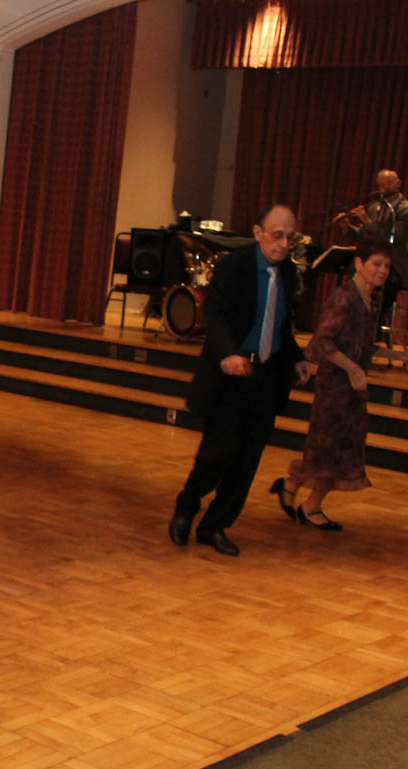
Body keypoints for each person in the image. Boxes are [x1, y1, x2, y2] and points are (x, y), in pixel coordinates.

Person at [169, 204, 311, 557]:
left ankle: (215, 526)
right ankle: (188, 505)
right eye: (277, 235)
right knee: (216, 454)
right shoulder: (235, 267)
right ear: (259, 232)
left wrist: (298, 359)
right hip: (231, 375)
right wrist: (228, 354)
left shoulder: (289, 275)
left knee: (247, 460)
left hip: (266, 377)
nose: (283, 243)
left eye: (289, 237)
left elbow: (280, 327)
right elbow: (215, 317)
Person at [271, 238, 408, 529]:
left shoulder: (368, 299)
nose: (383, 270)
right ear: (359, 264)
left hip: (351, 388)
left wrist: (397, 353)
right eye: (377, 264)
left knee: (338, 447)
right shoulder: (344, 298)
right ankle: (309, 506)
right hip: (335, 387)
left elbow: (361, 346)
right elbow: (321, 342)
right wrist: (351, 369)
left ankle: (291, 487)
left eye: (387, 266)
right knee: (330, 448)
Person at [335, 169, 408, 338]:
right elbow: (364, 236)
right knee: (352, 275)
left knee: (388, 283)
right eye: (380, 185)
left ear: (398, 184)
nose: (383, 189)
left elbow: (393, 239)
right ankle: (347, 325)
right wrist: (347, 228)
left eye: (388, 184)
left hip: (393, 264)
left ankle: (373, 328)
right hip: (369, 261)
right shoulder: (375, 207)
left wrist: (366, 220)